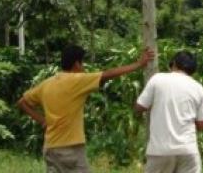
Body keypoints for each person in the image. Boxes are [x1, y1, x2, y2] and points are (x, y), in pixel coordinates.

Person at [17, 45, 154, 173]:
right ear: (77, 64)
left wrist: (42, 120)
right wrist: (138, 64)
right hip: (70, 148)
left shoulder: (46, 84)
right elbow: (107, 75)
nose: (83, 68)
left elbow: (22, 102)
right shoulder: (77, 80)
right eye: (82, 63)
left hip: (50, 148)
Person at [135, 51, 203, 173]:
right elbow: (202, 125)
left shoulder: (158, 79)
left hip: (160, 150)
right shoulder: (199, 88)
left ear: (173, 63)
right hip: (188, 150)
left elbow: (139, 107)